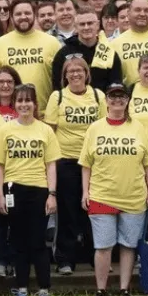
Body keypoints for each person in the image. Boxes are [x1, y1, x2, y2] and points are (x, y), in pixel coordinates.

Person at [82, 83, 148, 296]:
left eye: (121, 97)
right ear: (106, 100)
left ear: (128, 100)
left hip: (133, 195)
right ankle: (101, 289)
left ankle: (124, 289)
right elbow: (86, 164)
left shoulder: (138, 127)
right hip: (101, 194)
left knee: (128, 245)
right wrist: (85, 192)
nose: (117, 101)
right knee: (103, 246)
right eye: (112, 97)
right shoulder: (95, 128)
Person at [0, 85, 58, 296]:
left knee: (37, 241)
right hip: (12, 189)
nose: (24, 105)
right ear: (14, 103)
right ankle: (22, 288)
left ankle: (44, 288)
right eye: (19, 101)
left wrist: (52, 194)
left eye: (28, 100)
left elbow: (51, 165)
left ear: (35, 104)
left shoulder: (45, 130)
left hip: (38, 189)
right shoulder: (6, 130)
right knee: (18, 241)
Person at [44, 55, 100, 274]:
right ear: (64, 75)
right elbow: (49, 133)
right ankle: (65, 259)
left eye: (80, 70)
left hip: (95, 162)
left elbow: (105, 127)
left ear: (87, 73)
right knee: (67, 211)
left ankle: (97, 256)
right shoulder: (57, 97)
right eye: (71, 71)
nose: (75, 74)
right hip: (66, 160)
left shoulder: (98, 96)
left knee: (94, 210)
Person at [0, 0, 63, 103]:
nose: (23, 17)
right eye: (18, 14)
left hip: (46, 113)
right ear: (11, 17)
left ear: (34, 15)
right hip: (11, 114)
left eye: (27, 13)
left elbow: (61, 81)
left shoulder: (52, 43)